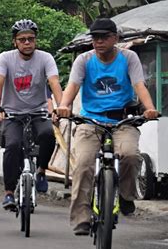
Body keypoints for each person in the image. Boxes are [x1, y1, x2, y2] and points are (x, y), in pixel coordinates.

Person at [56, 18, 159, 235]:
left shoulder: (129, 58)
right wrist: (64, 106)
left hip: (123, 121)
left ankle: (126, 195)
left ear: (116, 38)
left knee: (130, 155)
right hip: (90, 121)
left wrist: (149, 109)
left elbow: (139, 85)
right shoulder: (84, 60)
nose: (99, 42)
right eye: (95, 37)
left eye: (104, 37)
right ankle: (81, 218)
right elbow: (72, 86)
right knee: (83, 164)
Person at [0, 19, 63, 210]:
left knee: (48, 134)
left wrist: (61, 106)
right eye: (22, 39)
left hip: (38, 111)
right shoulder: (5, 58)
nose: (27, 43)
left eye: (31, 39)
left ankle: (40, 170)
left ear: (36, 40)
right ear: (15, 42)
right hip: (12, 113)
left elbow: (54, 82)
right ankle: (8, 193)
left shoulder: (45, 58)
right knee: (13, 146)